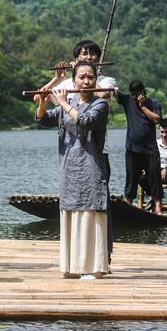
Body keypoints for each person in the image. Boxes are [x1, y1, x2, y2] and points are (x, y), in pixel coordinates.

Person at [36, 61, 110, 279]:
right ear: (74, 80)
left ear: (95, 80)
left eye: (90, 77)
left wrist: (62, 102)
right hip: (69, 167)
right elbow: (43, 120)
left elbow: (86, 122)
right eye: (81, 77)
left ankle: (94, 267)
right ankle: (72, 266)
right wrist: (43, 102)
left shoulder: (100, 104)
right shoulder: (67, 102)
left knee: (90, 214)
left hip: (91, 166)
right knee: (72, 214)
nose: (86, 81)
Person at [115, 80, 162, 213]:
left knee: (154, 178)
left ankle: (158, 208)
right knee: (131, 178)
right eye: (132, 95)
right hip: (132, 149)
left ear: (143, 92)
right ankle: (128, 206)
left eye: (137, 95)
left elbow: (157, 119)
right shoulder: (128, 101)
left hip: (150, 149)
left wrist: (143, 107)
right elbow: (113, 92)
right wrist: (113, 89)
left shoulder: (153, 103)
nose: (134, 97)